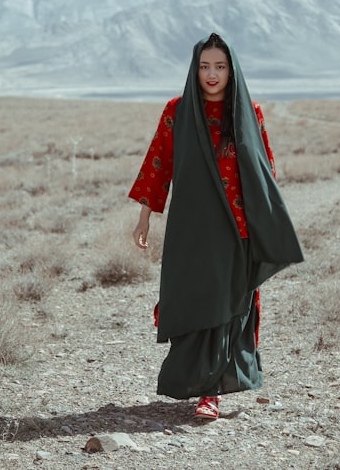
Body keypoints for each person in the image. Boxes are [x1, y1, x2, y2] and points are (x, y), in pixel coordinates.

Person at [128, 32, 304, 419]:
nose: (212, 74)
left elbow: (264, 170)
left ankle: (212, 393)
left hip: (237, 230)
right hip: (191, 231)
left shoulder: (247, 111)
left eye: (220, 67)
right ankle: (200, 384)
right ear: (195, 68)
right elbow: (159, 164)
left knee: (228, 307)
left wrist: (269, 225)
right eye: (205, 66)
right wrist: (145, 216)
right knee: (197, 302)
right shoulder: (177, 111)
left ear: (231, 70)